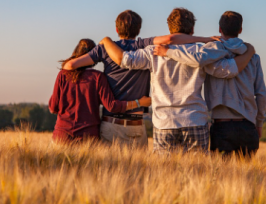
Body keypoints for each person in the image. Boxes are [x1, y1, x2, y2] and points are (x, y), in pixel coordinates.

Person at [99, 8, 256, 153]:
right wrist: (249, 52)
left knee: (164, 176)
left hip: (164, 122)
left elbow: (125, 60)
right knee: (198, 175)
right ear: (192, 29)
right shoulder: (202, 52)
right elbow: (227, 70)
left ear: (169, 29)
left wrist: (106, 41)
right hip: (195, 120)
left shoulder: (152, 52)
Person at [62, 10, 219, 147]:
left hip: (110, 124)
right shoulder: (143, 45)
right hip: (136, 125)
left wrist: (95, 73)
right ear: (139, 29)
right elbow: (171, 39)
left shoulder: (105, 48)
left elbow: (69, 66)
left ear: (117, 29)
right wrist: (204, 39)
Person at [154, 11, 266, 157]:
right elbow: (262, 94)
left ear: (220, 29)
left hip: (222, 126)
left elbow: (196, 59)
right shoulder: (253, 57)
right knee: (247, 177)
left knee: (220, 177)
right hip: (248, 125)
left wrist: (168, 52)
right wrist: (259, 123)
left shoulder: (210, 53)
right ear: (240, 30)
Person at [48, 38, 151, 144]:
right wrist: (139, 102)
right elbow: (112, 106)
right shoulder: (98, 77)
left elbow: (53, 107)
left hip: (62, 135)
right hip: (88, 137)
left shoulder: (63, 75)